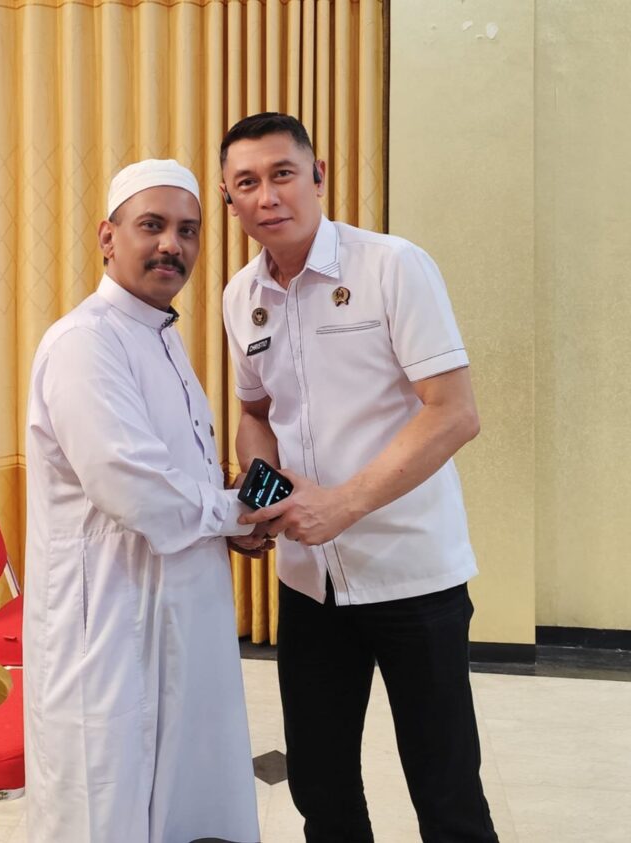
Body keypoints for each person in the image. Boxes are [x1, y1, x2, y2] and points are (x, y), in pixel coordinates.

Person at [220, 113, 499, 843]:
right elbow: (255, 412)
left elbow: (455, 413)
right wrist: (259, 492)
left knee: (445, 790)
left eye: (282, 173)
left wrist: (342, 505)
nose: (267, 195)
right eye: (247, 182)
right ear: (229, 200)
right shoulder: (240, 296)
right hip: (309, 582)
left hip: (413, 574)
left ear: (318, 177)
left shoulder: (392, 266)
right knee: (320, 785)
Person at [23, 159, 263, 843]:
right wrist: (234, 513)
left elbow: (176, 473)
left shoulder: (158, 334)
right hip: (106, 625)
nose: (171, 245)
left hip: (177, 611)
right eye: (151, 225)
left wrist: (230, 518)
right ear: (108, 236)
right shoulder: (84, 343)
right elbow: (130, 484)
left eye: (187, 231)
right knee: (105, 807)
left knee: (184, 800)